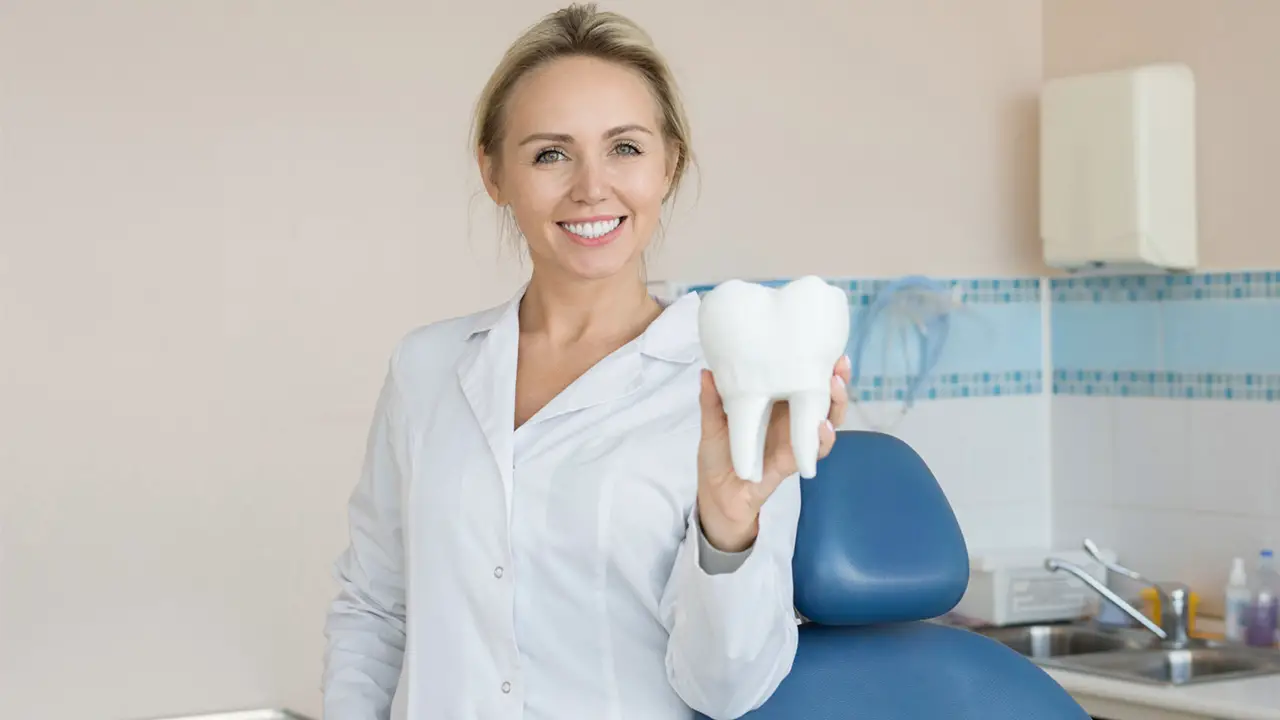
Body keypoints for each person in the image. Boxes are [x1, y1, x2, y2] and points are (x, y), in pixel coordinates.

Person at [321, 4, 851, 719]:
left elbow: (727, 691)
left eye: (625, 148)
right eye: (550, 153)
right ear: (494, 173)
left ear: (670, 164)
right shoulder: (426, 369)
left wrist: (729, 521)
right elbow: (375, 612)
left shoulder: (732, 384)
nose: (591, 187)